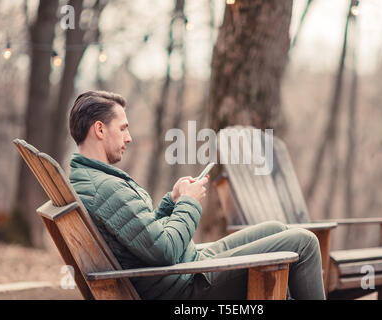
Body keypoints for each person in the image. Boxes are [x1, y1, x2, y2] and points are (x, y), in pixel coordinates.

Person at [68, 90, 326, 300]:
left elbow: (143, 237)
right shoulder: (104, 188)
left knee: (276, 229)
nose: (129, 137)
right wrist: (189, 203)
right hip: (186, 285)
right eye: (123, 129)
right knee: (304, 242)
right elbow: (164, 251)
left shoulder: (95, 180)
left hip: (183, 269)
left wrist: (172, 201)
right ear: (100, 130)